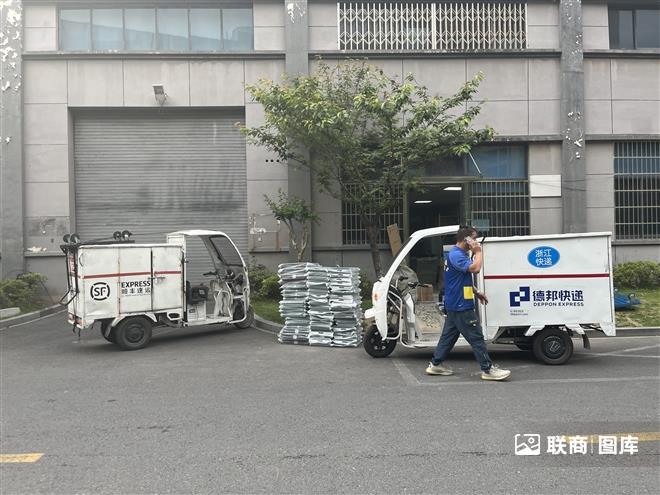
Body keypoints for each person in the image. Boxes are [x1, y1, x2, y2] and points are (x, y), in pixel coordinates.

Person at [425, 226, 511, 381]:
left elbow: (459, 279)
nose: (476, 241)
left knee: (448, 337)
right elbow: (475, 268)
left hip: (455, 303)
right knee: (476, 337)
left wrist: (476, 292)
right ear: (466, 239)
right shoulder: (457, 255)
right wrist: (478, 251)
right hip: (461, 305)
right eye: (474, 238)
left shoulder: (456, 254)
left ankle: (435, 364)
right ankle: (488, 369)